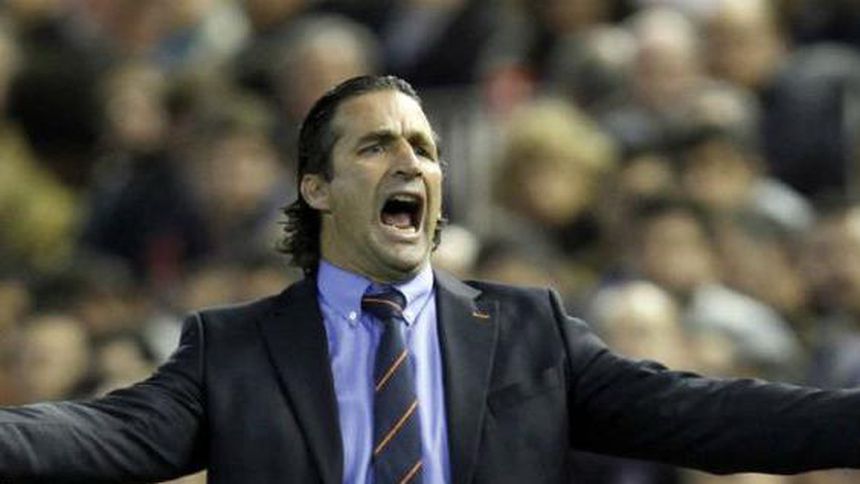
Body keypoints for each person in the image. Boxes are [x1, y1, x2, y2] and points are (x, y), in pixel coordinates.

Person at [1, 74, 860, 484]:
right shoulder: (232, 348)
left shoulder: (531, 331)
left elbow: (705, 414)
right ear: (317, 187)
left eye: (424, 147)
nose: (410, 161)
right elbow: (98, 435)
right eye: (376, 145)